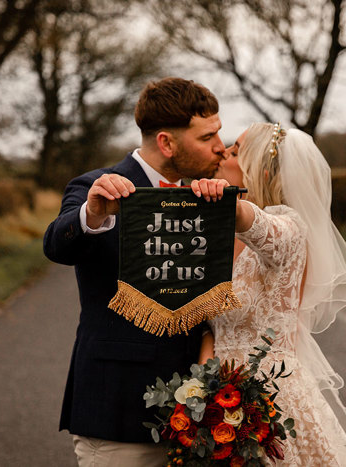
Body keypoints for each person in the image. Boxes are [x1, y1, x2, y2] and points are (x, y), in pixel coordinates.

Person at [43, 77, 226, 467]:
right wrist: (92, 214)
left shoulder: (205, 195)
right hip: (118, 409)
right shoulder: (95, 186)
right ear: (166, 142)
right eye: (208, 136)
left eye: (219, 133)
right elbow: (57, 245)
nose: (220, 147)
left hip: (199, 417)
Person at [191, 122, 346, 466]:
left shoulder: (289, 230)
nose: (223, 152)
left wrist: (229, 202)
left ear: (257, 168)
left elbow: (259, 226)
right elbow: (213, 324)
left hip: (270, 395)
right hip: (217, 394)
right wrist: (200, 385)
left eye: (236, 150)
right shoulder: (221, 237)